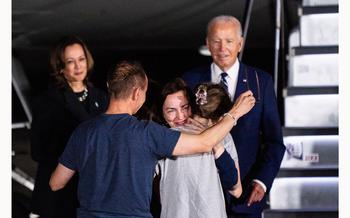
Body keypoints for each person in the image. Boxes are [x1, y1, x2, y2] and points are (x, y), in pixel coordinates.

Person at [49, 61, 255, 218]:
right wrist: (234, 113)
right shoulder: (148, 133)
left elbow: (56, 183)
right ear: (137, 93)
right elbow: (204, 143)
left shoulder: (83, 131)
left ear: (109, 86)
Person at [182, 15, 286, 218]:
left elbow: (275, 142)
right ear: (207, 44)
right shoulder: (190, 80)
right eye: (216, 41)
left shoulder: (261, 81)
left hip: (246, 195)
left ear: (240, 44)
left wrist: (262, 181)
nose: (223, 48)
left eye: (229, 41)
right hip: (201, 193)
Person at [30, 35, 108, 218]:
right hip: (58, 193)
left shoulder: (101, 97)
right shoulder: (48, 101)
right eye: (70, 62)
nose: (78, 66)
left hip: (92, 192)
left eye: (81, 59)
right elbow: (38, 151)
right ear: (60, 67)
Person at [156, 79, 243, 218]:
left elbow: (236, 189)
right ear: (162, 112)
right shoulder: (162, 138)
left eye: (185, 107)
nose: (180, 116)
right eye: (171, 110)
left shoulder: (223, 136)